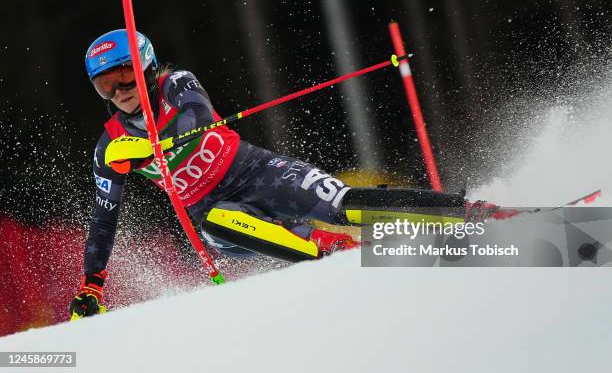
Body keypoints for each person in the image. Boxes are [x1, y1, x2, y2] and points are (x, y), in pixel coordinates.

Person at [69, 29, 475, 319]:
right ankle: (336, 254)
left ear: (148, 67)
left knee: (342, 204)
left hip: (253, 171)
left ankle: (467, 213)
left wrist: (154, 146)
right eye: (106, 85)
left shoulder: (176, 84)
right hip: (214, 215)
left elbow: (198, 115)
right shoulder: (110, 148)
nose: (119, 90)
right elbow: (103, 222)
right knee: (220, 221)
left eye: (125, 76)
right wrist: (92, 285)